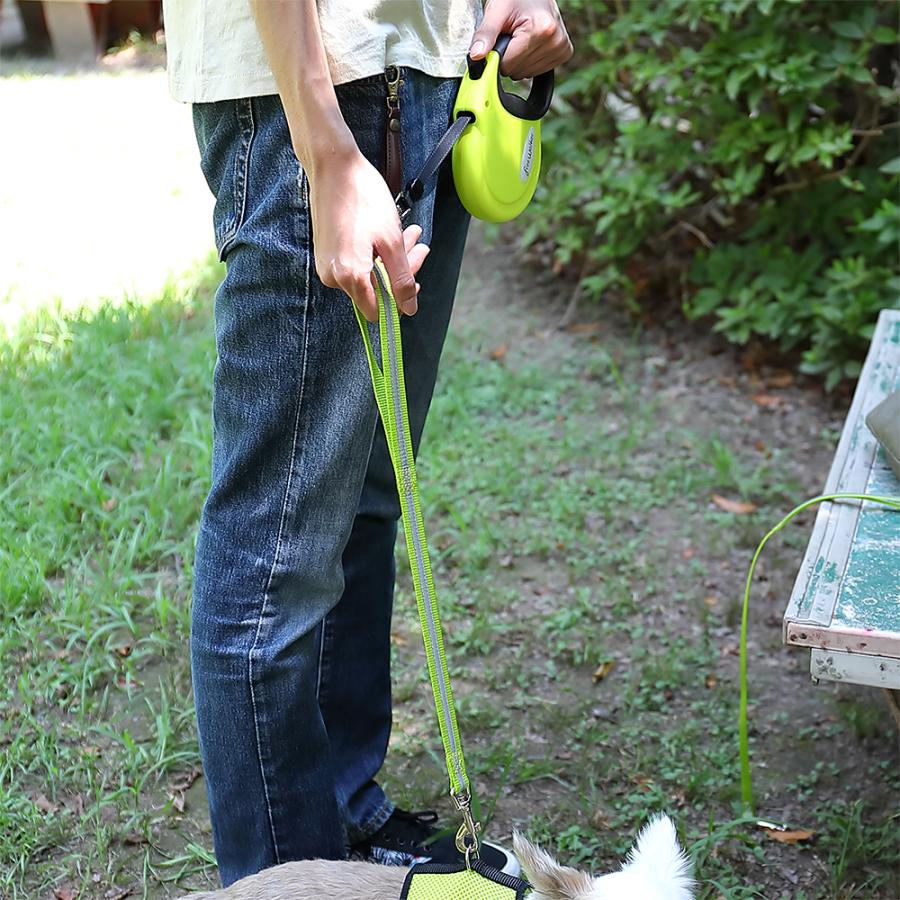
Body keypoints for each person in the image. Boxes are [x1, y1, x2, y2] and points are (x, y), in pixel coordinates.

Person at [161, 0, 572, 888]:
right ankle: (291, 880)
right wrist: (326, 150)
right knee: (275, 555)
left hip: (433, 79)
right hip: (313, 97)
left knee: (368, 496)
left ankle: (345, 804)